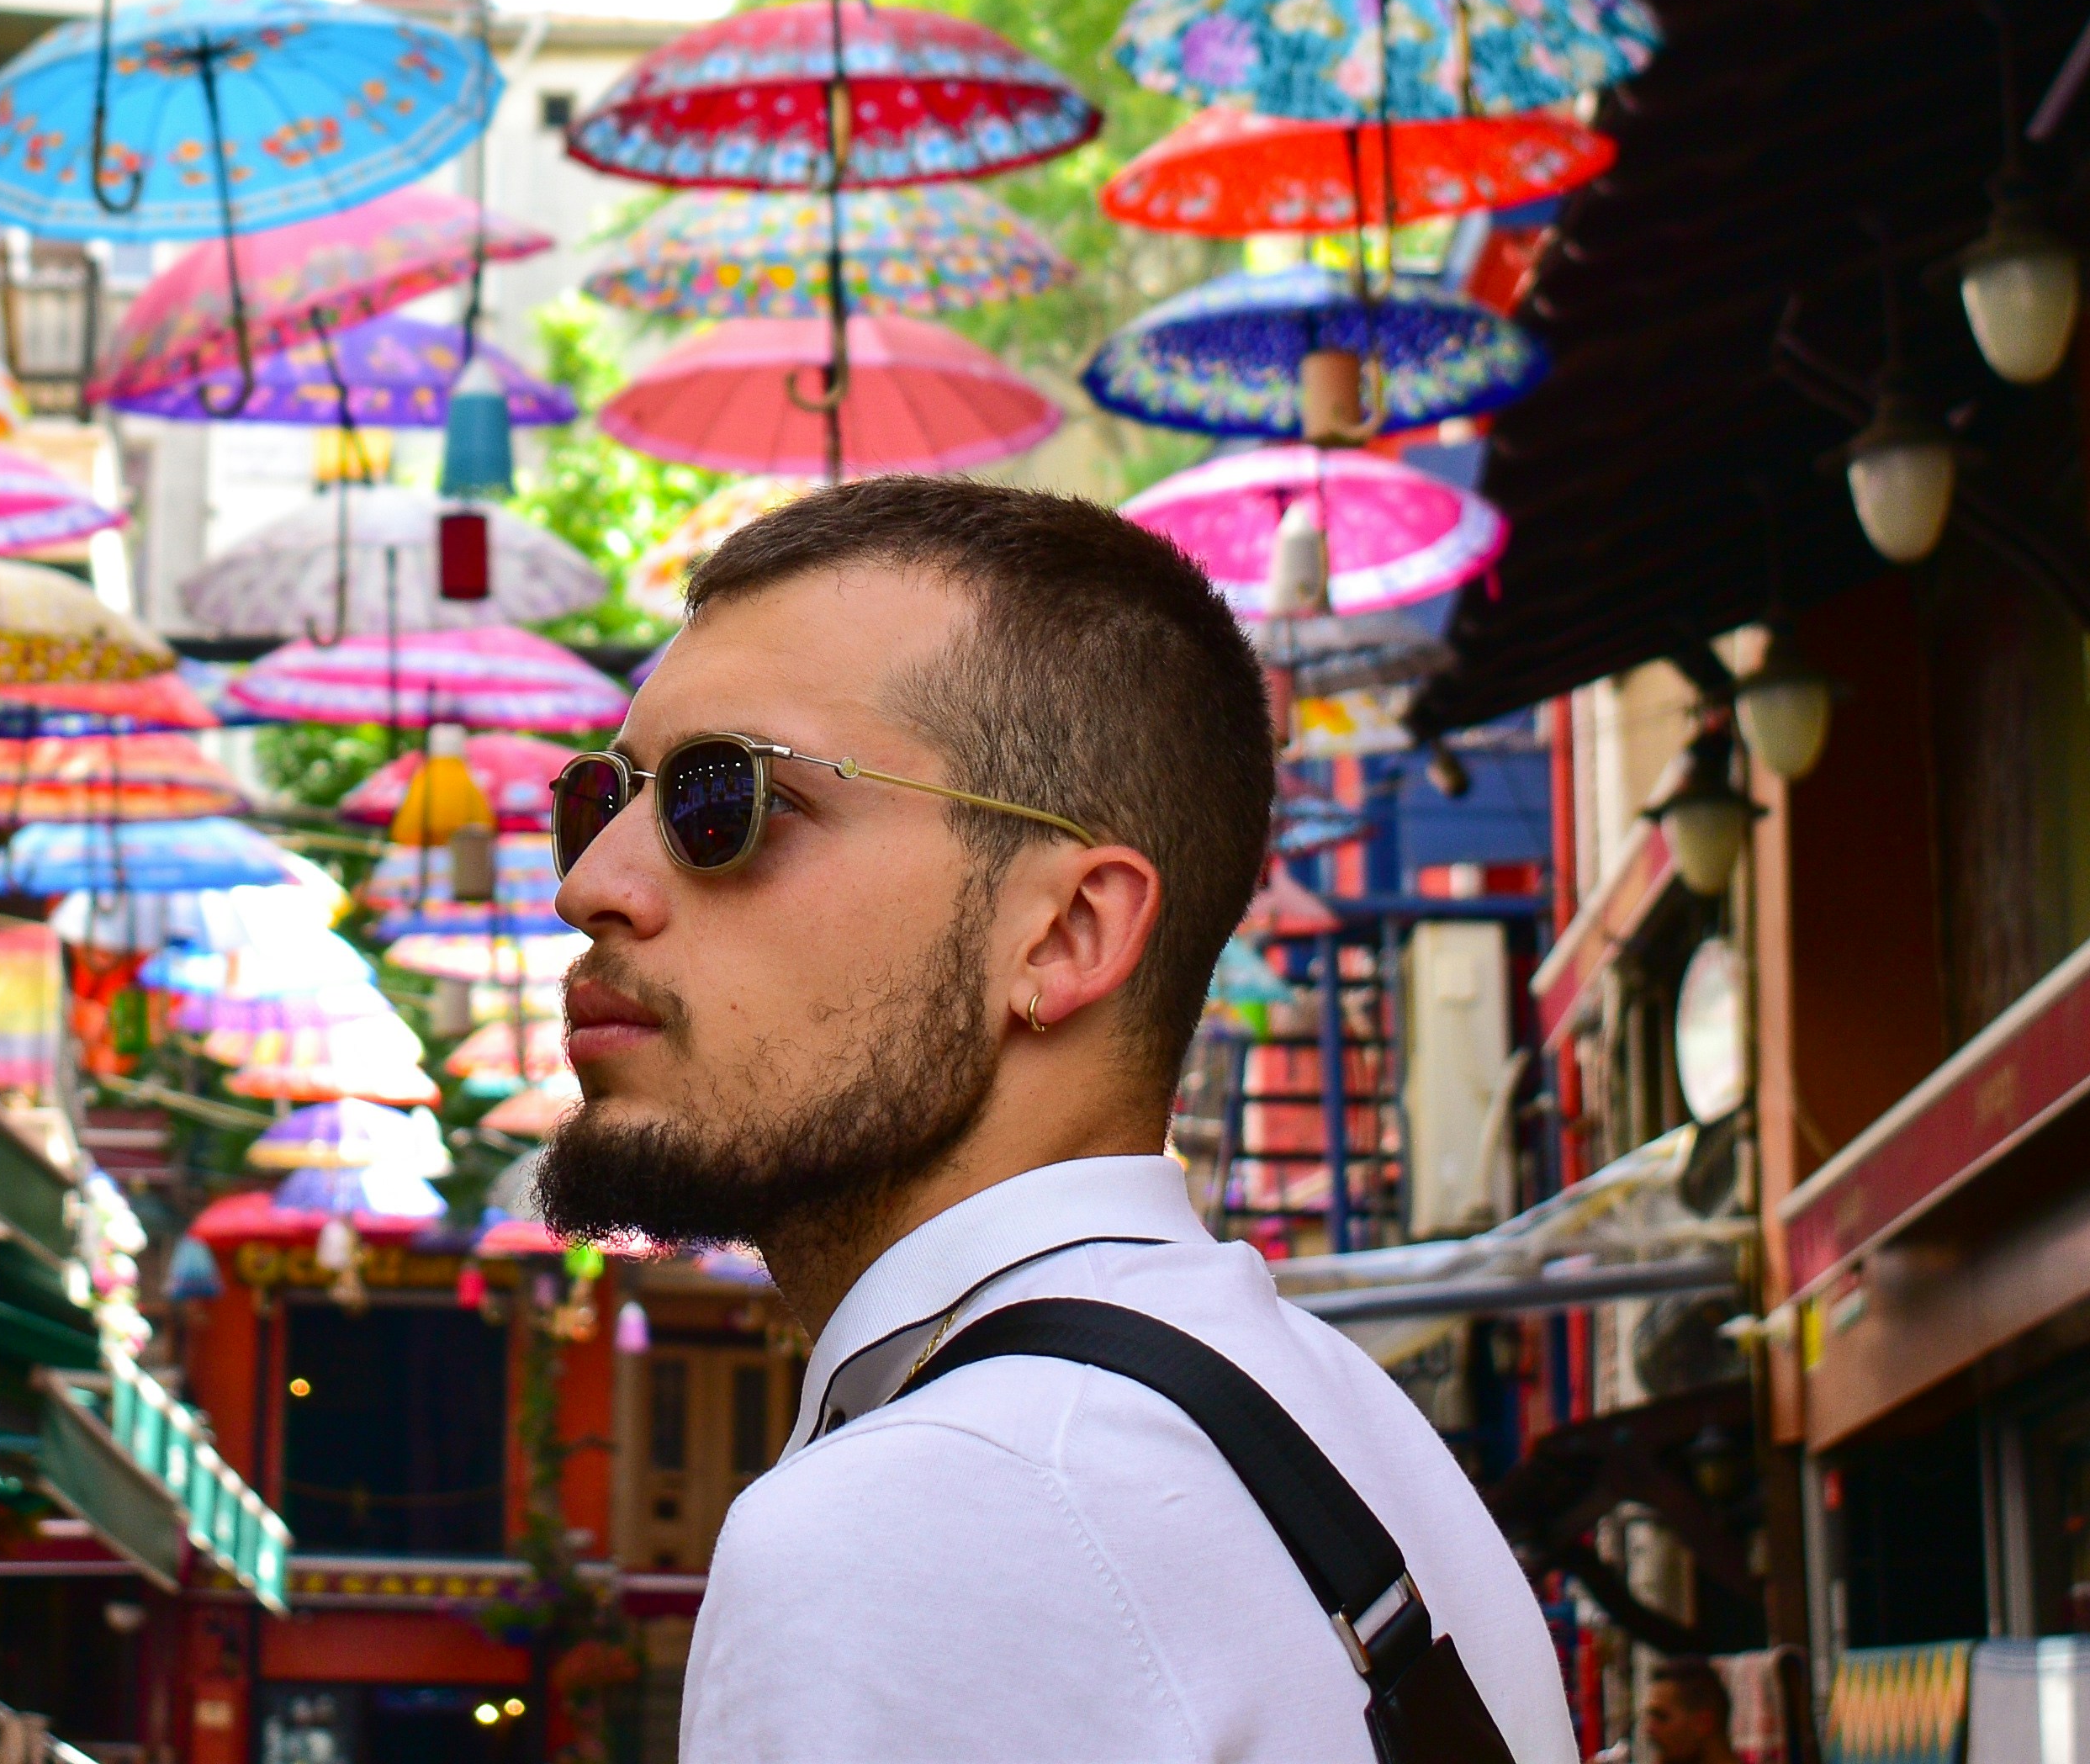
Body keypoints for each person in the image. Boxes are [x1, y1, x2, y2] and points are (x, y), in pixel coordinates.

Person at [543, 477, 1577, 1764]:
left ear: (1066, 934)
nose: (593, 885)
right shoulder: (1361, 1442)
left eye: (724, 800)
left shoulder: (924, 1517)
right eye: (600, 801)